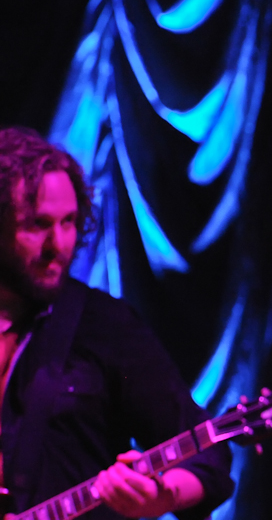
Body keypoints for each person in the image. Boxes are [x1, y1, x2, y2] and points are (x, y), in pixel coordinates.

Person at [0, 126, 234, 519]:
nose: (59, 244)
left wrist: (164, 495)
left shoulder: (104, 326)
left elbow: (209, 453)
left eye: (70, 222)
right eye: (38, 225)